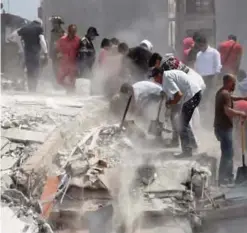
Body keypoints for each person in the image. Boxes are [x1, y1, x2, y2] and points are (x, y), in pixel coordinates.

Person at [150, 67, 203, 157]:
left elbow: (178, 95)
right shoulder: (169, 75)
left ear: (159, 75)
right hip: (195, 93)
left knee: (182, 124)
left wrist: (170, 103)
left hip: (191, 95)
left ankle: (187, 151)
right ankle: (192, 145)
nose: (155, 80)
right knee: (184, 122)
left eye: (155, 78)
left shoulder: (166, 79)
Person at [214, 74, 247, 185]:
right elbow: (228, 111)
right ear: (228, 82)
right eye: (233, 83)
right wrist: (241, 113)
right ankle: (224, 179)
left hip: (220, 127)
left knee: (227, 153)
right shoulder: (225, 94)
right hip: (224, 127)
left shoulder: (222, 92)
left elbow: (230, 98)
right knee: (228, 154)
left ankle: (227, 177)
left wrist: (242, 98)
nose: (235, 85)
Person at [15, 19, 48, 91]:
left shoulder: (25, 28)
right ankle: (34, 88)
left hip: (27, 52)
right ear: (40, 23)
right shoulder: (39, 28)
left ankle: (30, 88)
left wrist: (21, 47)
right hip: (35, 52)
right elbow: (42, 40)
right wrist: (45, 52)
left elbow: (16, 36)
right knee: (36, 69)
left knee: (29, 70)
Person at [194, 35, 222, 104]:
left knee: (210, 94)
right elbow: (197, 66)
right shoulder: (198, 54)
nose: (200, 47)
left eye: (201, 45)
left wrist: (216, 78)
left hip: (211, 77)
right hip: (201, 78)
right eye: (198, 46)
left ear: (205, 43)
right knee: (201, 94)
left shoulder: (214, 52)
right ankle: (203, 109)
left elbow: (218, 66)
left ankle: (210, 109)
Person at [56, 24, 80, 94]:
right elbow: (57, 50)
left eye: (74, 31)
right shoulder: (62, 40)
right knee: (59, 80)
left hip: (73, 63)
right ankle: (68, 88)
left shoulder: (78, 40)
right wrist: (59, 57)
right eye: (71, 31)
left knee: (72, 81)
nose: (73, 33)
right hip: (64, 63)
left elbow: (80, 51)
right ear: (68, 31)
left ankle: (71, 94)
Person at [49, 16, 65, 88]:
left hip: (60, 53)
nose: (53, 24)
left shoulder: (62, 32)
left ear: (59, 24)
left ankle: (61, 84)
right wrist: (50, 52)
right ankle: (58, 84)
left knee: (60, 69)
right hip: (54, 53)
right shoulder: (52, 32)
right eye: (53, 23)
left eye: (55, 23)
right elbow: (51, 42)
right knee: (54, 69)